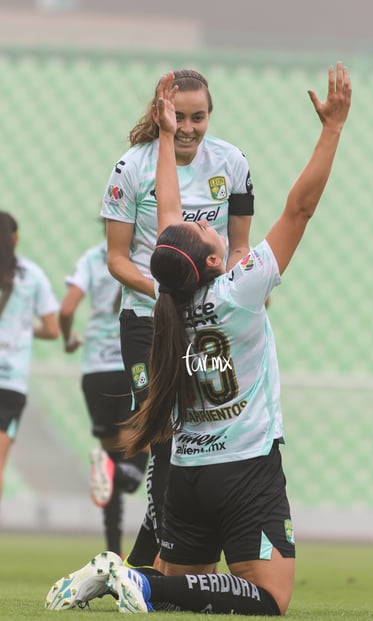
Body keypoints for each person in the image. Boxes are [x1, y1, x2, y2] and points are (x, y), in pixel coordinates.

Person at [45, 62, 351, 615]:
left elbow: (169, 212)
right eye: (207, 229)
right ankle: (143, 581)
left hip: (186, 469)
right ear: (213, 258)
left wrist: (165, 136)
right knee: (271, 599)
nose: (206, 221)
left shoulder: (166, 310)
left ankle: (137, 575)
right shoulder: (240, 292)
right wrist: (332, 129)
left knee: (188, 587)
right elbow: (300, 207)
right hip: (244, 465)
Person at [100, 69, 254, 567]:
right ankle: (152, 558)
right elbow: (117, 260)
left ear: (210, 115)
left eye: (199, 117)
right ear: (162, 112)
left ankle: (157, 558)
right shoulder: (131, 168)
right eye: (179, 117)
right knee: (162, 431)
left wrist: (234, 292)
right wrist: (169, 289)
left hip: (206, 323)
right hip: (147, 319)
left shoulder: (232, 164)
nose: (188, 127)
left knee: (201, 432)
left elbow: (240, 246)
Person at [59, 225, 149, 556]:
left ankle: (114, 551)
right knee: (149, 439)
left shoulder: (93, 259)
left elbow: (67, 309)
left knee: (111, 460)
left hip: (94, 371)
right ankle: (129, 475)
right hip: (131, 363)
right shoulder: (145, 257)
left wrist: (69, 339)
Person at [0, 211, 59, 506]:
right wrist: (24, 328)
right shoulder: (32, 275)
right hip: (10, 383)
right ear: (15, 239)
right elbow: (52, 329)